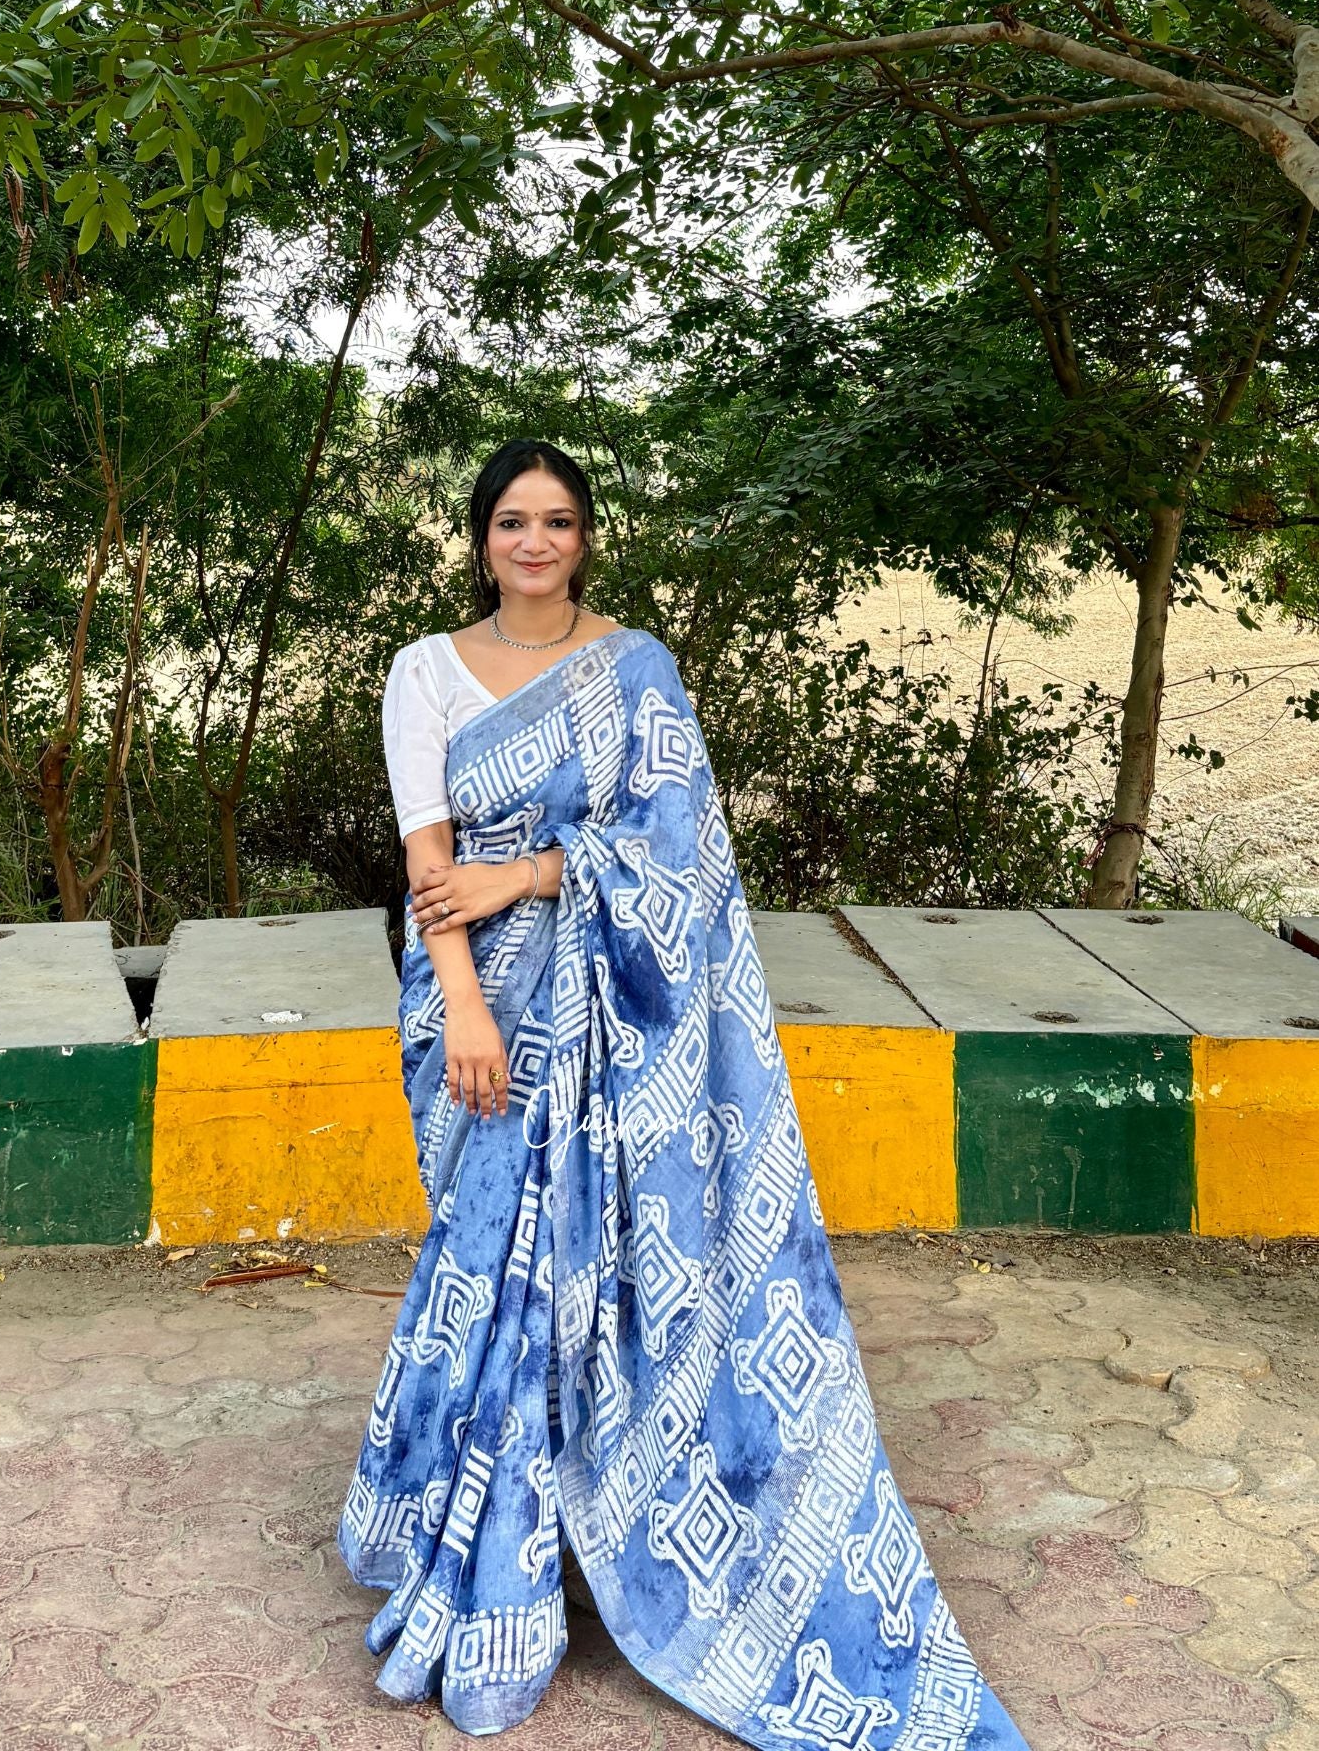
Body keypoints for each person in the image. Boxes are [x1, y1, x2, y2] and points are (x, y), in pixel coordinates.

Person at [337, 440, 1029, 1748]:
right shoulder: (424, 672)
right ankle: (490, 1543)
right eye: (508, 522)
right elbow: (429, 860)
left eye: (555, 521)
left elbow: (678, 855)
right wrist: (471, 1003)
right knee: (485, 1265)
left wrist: (535, 874)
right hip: (481, 1009)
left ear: (585, 537)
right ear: (477, 537)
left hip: (612, 1015)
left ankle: (539, 1563)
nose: (531, 543)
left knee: (576, 1276)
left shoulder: (635, 672)